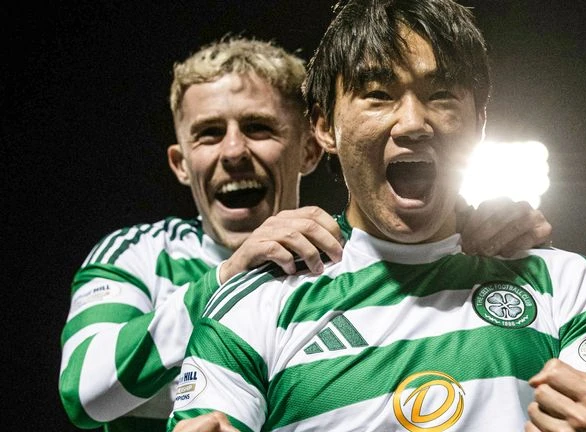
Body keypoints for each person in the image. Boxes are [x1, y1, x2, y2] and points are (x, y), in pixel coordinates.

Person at [167, 1, 586, 431]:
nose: (414, 123)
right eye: (378, 94)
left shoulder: (565, 284)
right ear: (323, 127)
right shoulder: (254, 305)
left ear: (479, 124)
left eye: (441, 95)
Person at [58, 35, 553, 431]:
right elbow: (84, 392)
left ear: (313, 148)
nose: (233, 152)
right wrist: (227, 278)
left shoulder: (351, 260)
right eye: (209, 133)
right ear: (181, 164)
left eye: (259, 128)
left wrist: (491, 240)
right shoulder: (141, 254)